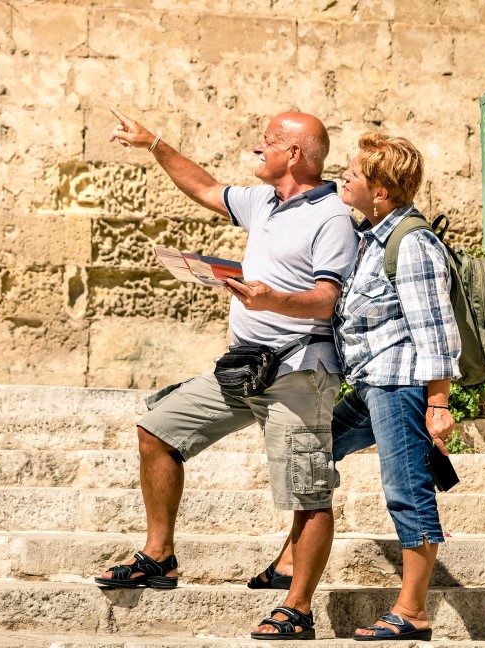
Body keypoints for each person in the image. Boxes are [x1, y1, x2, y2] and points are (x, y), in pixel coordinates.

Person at [95, 108, 359, 641]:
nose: (257, 148)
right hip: (244, 366)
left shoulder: (332, 217)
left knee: (308, 492)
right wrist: (154, 144)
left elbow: (326, 300)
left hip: (298, 370)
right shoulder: (263, 201)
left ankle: (298, 608)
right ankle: (159, 556)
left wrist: (270, 299)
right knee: (158, 430)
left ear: (294, 154)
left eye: (267, 141)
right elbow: (206, 188)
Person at [249, 132, 461, 641]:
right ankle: (291, 557)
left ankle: (412, 612)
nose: (344, 176)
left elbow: (435, 331)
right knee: (316, 451)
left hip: (399, 385)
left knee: (407, 492)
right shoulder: (372, 238)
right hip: (370, 386)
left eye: (356, 173)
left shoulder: (412, 244)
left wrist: (437, 404)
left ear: (381, 191)